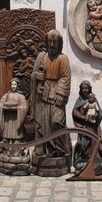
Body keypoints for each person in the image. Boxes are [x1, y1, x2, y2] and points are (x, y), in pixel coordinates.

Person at [31, 29, 72, 162]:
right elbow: (33, 73)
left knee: (56, 121)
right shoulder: (41, 57)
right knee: (41, 121)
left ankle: (61, 148)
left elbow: (65, 77)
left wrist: (60, 93)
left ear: (59, 43)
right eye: (50, 41)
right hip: (42, 93)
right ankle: (41, 147)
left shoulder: (63, 59)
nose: (52, 45)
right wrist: (37, 76)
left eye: (55, 42)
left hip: (56, 94)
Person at [71, 81, 102, 173]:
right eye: (83, 88)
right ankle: (82, 161)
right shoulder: (79, 100)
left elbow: (99, 112)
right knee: (82, 143)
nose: (84, 90)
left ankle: (92, 161)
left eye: (86, 88)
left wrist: (96, 115)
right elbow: (74, 111)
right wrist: (81, 116)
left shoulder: (94, 100)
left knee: (92, 142)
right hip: (83, 126)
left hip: (92, 126)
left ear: (89, 89)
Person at [0, 78, 29, 145]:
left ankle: (17, 141)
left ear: (18, 85)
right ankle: (6, 140)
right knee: (7, 129)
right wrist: (3, 107)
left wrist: (18, 108)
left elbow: (25, 106)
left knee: (16, 132)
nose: (13, 86)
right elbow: (0, 104)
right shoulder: (6, 95)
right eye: (12, 84)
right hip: (7, 117)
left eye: (15, 84)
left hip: (16, 117)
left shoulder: (21, 96)